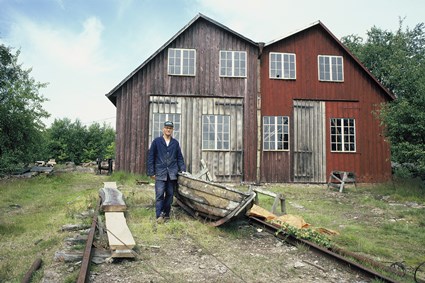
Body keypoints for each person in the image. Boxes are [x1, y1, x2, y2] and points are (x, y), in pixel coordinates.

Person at [147, 121, 186, 223]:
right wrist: (151, 172)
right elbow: (151, 157)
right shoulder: (157, 142)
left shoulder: (175, 143)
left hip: (172, 174)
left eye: (170, 128)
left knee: (169, 195)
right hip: (160, 173)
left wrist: (183, 170)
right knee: (159, 194)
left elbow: (179, 158)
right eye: (167, 128)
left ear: (172, 130)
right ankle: (159, 215)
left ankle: (166, 214)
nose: (168, 129)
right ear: (163, 129)